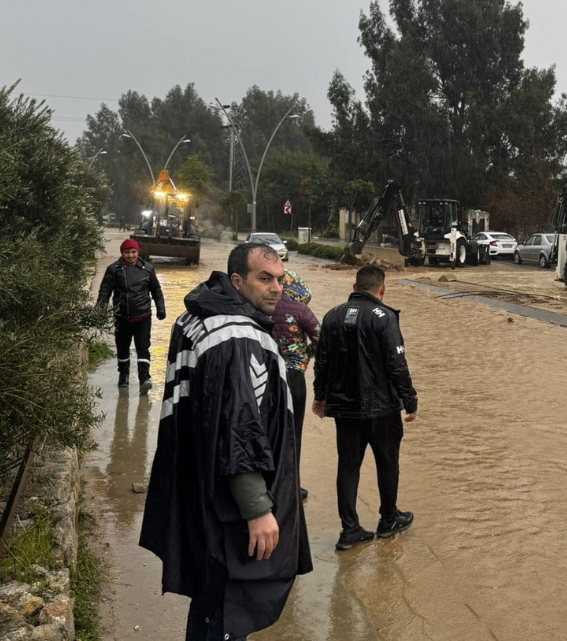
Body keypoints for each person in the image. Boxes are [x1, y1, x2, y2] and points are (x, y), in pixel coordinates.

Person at [140, 243, 312, 641]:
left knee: (208, 598)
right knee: (230, 605)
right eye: (264, 279)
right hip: (229, 507)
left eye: (281, 280)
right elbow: (239, 426)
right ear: (237, 281)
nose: (276, 289)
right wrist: (257, 509)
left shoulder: (197, 317)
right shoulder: (240, 337)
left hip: (198, 486)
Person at [313, 264, 418, 551]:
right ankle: (388, 519)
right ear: (381, 289)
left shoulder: (332, 316)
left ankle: (350, 530)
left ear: (354, 286)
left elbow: (321, 361)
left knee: (347, 467)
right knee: (388, 462)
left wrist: (320, 397)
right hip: (382, 409)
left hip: (344, 409)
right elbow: (397, 365)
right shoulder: (385, 317)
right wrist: (410, 400)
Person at [271, 269, 320, 502]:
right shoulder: (301, 310)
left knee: (269, 429)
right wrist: (305, 353)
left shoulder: (263, 307)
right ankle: (291, 486)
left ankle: (269, 483)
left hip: (265, 375)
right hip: (293, 377)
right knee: (293, 432)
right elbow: (323, 341)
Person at [96, 238, 165, 393]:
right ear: (122, 253)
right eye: (127, 252)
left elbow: (156, 291)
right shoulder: (113, 270)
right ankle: (124, 376)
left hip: (143, 316)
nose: (131, 255)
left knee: (143, 347)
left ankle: (144, 379)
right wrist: (100, 309)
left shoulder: (148, 269)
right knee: (122, 348)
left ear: (138, 252)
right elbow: (104, 292)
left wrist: (161, 308)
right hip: (122, 317)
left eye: (133, 252)